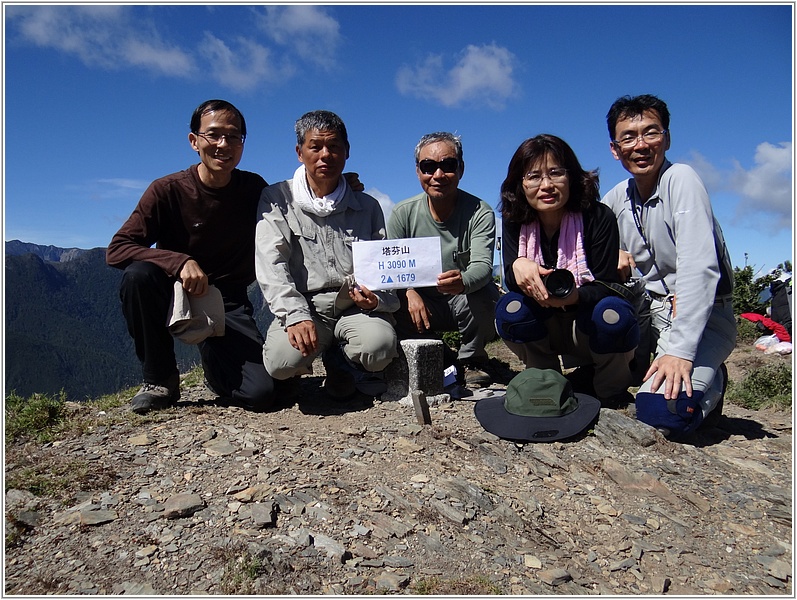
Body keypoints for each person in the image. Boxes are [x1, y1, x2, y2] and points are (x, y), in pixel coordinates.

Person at [107, 99, 274, 414]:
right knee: (139, 276)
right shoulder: (167, 191)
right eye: (213, 135)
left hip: (227, 302)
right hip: (175, 296)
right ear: (194, 141)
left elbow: (293, 206)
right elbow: (118, 249)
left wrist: (335, 185)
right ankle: (160, 380)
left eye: (234, 136)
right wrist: (179, 262)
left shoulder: (253, 188)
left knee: (261, 394)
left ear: (242, 144)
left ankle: (214, 360)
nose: (223, 144)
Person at [602, 94, 736, 438]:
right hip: (647, 313)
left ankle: (713, 378)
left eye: (652, 133)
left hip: (701, 315)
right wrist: (611, 251)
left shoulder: (682, 179)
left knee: (665, 414)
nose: (641, 145)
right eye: (629, 137)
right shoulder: (618, 196)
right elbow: (582, 244)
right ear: (615, 149)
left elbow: (699, 266)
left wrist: (680, 351)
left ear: (668, 138)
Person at [255, 110, 398, 400]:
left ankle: (341, 364)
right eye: (315, 146)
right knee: (282, 363)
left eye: (334, 147)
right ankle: (312, 364)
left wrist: (377, 299)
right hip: (307, 305)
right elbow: (272, 263)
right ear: (299, 152)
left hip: (354, 306)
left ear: (346, 152)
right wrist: (294, 315)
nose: (325, 155)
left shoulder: (367, 206)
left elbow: (385, 266)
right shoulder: (277, 200)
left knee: (379, 348)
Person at [496, 134, 639, 408]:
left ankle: (611, 393)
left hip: (585, 323)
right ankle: (546, 382)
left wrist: (574, 297)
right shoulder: (515, 221)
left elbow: (608, 285)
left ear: (571, 177)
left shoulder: (598, 217)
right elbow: (513, 284)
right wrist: (518, 267)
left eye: (555, 173)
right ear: (520, 184)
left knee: (614, 314)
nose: (546, 185)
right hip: (544, 322)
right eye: (534, 176)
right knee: (511, 309)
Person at [387, 132, 500, 388]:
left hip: (462, 298)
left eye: (448, 165)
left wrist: (463, 281)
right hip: (422, 302)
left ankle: (472, 360)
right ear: (418, 171)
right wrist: (409, 291)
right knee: (391, 307)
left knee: (484, 295)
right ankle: (441, 356)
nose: (438, 175)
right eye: (429, 166)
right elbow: (392, 271)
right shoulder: (402, 213)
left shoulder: (480, 212)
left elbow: (483, 266)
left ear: (460, 169)